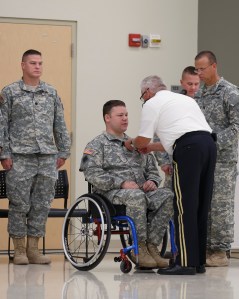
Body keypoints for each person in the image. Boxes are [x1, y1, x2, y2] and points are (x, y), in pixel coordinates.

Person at [124, 75, 217, 275]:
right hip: (208, 145)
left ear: (147, 92)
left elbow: (142, 140)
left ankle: (184, 263)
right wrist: (151, 148)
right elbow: (178, 136)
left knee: (184, 206)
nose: (144, 99)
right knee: (201, 205)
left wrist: (131, 143)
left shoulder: (152, 103)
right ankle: (198, 261)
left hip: (189, 149)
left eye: (143, 96)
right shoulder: (184, 99)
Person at [80, 100, 174, 269]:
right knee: (136, 196)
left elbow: (152, 169)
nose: (125, 119)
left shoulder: (136, 144)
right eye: (120, 115)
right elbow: (91, 173)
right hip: (111, 195)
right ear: (107, 118)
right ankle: (139, 249)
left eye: (126, 115)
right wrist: (121, 183)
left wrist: (152, 181)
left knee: (168, 195)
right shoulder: (96, 144)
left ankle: (151, 246)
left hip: (141, 192)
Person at [0, 49, 71, 265]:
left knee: (41, 204)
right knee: (20, 204)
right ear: (23, 65)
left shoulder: (50, 92)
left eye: (40, 62)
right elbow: (2, 124)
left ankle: (34, 250)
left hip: (47, 156)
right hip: (20, 157)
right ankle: (19, 250)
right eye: (32, 63)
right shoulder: (10, 92)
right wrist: (4, 152)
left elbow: (59, 122)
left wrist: (64, 151)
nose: (37, 66)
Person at [194, 50, 239, 266]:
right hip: (203, 159)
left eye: (202, 69)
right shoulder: (200, 94)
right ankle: (205, 248)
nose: (199, 73)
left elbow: (237, 127)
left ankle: (220, 252)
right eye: (197, 69)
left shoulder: (230, 93)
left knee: (221, 206)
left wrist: (213, 142)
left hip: (222, 160)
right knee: (206, 204)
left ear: (214, 66)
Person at [154, 66, 200, 187]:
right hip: (174, 162)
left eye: (196, 83)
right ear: (182, 83)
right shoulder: (171, 103)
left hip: (199, 161)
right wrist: (163, 162)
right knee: (171, 199)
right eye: (189, 84)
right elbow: (159, 133)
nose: (193, 87)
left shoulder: (206, 103)